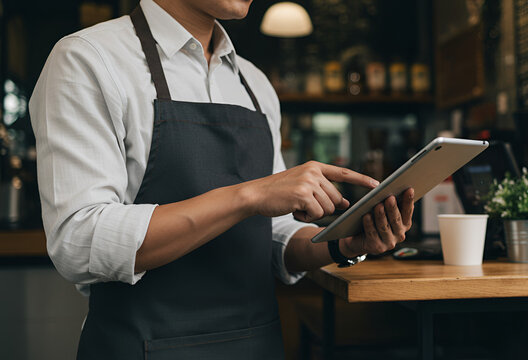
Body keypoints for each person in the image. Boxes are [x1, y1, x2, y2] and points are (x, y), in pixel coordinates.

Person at [29, 0, 415, 358]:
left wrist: (342, 244)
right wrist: (248, 196)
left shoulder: (255, 84)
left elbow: (274, 237)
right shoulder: (89, 59)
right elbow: (79, 240)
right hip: (142, 346)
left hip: (255, 345)